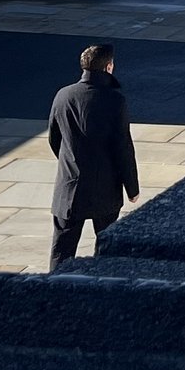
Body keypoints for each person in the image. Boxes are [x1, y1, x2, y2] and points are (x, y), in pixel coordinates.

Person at [47, 43, 140, 272]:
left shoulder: (63, 95)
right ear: (109, 67)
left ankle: (54, 290)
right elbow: (122, 148)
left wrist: (71, 162)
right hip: (105, 189)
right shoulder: (114, 100)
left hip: (69, 190)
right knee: (107, 249)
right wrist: (132, 187)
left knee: (62, 251)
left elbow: (54, 139)